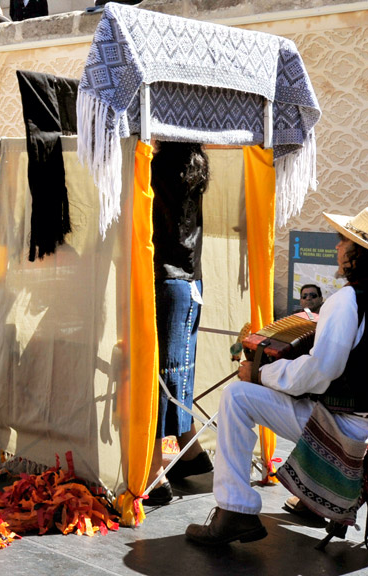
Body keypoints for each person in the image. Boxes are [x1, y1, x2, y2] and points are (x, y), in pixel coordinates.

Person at [186, 207, 368, 545]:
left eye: (343, 241)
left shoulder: (348, 301)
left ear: (357, 253)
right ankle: (311, 501)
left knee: (237, 397)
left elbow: (321, 372)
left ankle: (234, 511)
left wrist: (260, 373)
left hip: (344, 431)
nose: (337, 247)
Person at [144, 142, 211, 506]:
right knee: (180, 372)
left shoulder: (156, 166)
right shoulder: (194, 164)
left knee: (166, 375)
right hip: (189, 280)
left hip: (168, 280)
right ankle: (188, 450)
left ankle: (156, 472)